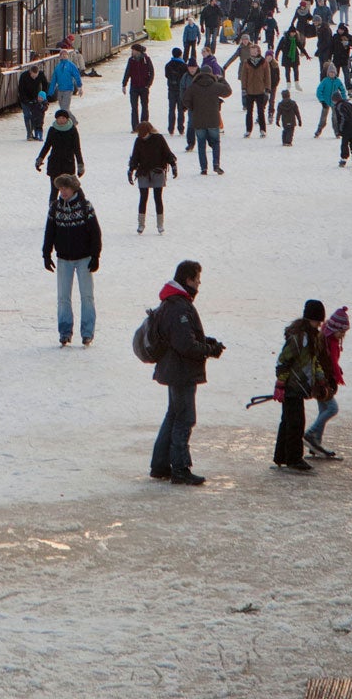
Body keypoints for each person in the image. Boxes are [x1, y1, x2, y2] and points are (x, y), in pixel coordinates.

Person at [149, 259, 225, 485]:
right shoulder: (179, 306)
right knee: (184, 418)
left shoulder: (174, 302)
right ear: (188, 280)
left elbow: (183, 337)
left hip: (175, 370)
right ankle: (180, 468)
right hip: (180, 372)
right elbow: (185, 345)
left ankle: (160, 465)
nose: (199, 285)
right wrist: (209, 349)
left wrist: (206, 341)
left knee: (173, 415)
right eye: (197, 280)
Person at [42, 174, 102, 346]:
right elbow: (49, 232)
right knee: (63, 298)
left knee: (87, 297)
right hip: (64, 259)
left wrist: (95, 256)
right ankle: (65, 332)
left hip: (84, 259)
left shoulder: (85, 207)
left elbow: (95, 233)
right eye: (60, 189)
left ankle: (87, 332)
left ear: (74, 188)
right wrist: (46, 254)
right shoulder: (55, 208)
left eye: (66, 188)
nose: (63, 192)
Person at [273, 299, 327, 473]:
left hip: (300, 386)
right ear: (308, 318)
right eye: (317, 320)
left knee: (288, 421)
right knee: (296, 422)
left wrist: (320, 379)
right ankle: (294, 458)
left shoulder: (312, 337)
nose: (319, 324)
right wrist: (281, 385)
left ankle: (282, 456)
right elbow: (283, 360)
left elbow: (313, 361)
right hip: (292, 386)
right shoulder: (300, 338)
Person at [305, 306, 350, 459]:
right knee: (332, 408)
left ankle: (316, 444)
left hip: (325, 380)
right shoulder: (324, 341)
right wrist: (324, 378)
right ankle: (311, 434)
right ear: (333, 329)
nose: (343, 335)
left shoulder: (331, 341)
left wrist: (337, 369)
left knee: (323, 410)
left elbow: (331, 361)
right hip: (321, 381)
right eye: (341, 331)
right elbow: (321, 361)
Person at [127, 119, 179, 233]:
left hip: (157, 171)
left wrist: (173, 165)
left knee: (157, 198)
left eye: (143, 134)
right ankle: (141, 224)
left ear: (149, 131)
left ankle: (160, 225)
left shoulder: (158, 139)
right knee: (143, 198)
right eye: (140, 135)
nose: (142, 136)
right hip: (143, 172)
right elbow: (135, 157)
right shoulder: (138, 141)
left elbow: (167, 153)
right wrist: (130, 170)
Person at [183, 62, 233, 175]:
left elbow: (185, 100)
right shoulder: (215, 86)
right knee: (215, 142)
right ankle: (216, 165)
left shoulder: (193, 86)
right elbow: (228, 91)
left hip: (198, 120)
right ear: (211, 74)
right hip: (213, 119)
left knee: (201, 144)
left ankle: (203, 168)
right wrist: (221, 79)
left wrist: (193, 108)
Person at [35, 107, 86, 182]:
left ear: (67, 119)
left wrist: (80, 166)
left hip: (68, 163)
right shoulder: (52, 130)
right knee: (54, 191)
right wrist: (40, 159)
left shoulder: (72, 130)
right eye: (59, 118)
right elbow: (47, 146)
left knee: (68, 190)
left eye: (63, 118)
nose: (61, 120)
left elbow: (77, 149)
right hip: (55, 163)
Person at [121, 43, 155, 129]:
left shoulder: (146, 59)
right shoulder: (131, 60)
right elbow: (127, 72)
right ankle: (135, 127)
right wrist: (124, 84)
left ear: (137, 51)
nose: (132, 52)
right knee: (134, 108)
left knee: (144, 107)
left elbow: (152, 72)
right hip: (134, 87)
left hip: (144, 87)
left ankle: (144, 126)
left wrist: (148, 84)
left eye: (133, 50)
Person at [16, 65, 48, 142]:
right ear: (30, 72)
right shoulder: (24, 76)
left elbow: (45, 84)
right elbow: (21, 90)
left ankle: (34, 132)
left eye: (36, 76)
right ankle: (29, 134)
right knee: (27, 116)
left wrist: (43, 96)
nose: (34, 78)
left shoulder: (41, 74)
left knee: (35, 116)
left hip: (36, 99)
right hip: (25, 99)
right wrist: (25, 101)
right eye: (33, 76)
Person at [163, 47, 191, 135]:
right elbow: (186, 77)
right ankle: (181, 128)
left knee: (171, 109)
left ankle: (171, 128)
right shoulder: (184, 66)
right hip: (180, 90)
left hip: (171, 89)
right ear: (180, 55)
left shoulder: (168, 65)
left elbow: (167, 75)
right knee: (181, 110)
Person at [313, 65, 346, 138]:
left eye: (333, 73)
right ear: (328, 73)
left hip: (335, 103)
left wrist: (343, 100)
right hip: (325, 102)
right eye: (330, 72)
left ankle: (337, 132)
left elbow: (343, 90)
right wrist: (322, 100)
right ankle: (319, 130)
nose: (332, 74)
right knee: (323, 118)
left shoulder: (338, 81)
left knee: (335, 118)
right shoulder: (325, 81)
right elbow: (319, 91)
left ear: (335, 73)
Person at [335, 95, 352, 165]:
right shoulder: (348, 104)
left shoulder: (339, 106)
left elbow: (343, 118)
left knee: (344, 144)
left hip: (346, 129)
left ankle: (343, 159)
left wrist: (340, 128)